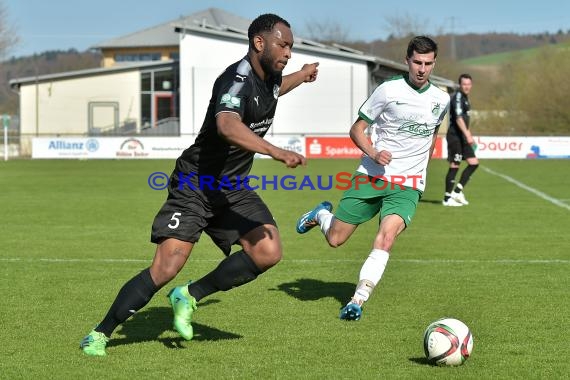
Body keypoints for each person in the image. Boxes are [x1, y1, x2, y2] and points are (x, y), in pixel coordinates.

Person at [80, 13, 319, 356]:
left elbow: (278, 88)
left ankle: (189, 296)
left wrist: (303, 75)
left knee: (268, 251)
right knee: (166, 267)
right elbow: (227, 126)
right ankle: (100, 333)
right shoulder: (236, 80)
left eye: (292, 47)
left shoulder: (271, 79)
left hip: (232, 187)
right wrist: (274, 151)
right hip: (196, 184)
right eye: (283, 45)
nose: (289, 52)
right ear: (259, 43)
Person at [296, 36, 449, 321]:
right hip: (372, 175)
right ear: (407, 61)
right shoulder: (388, 90)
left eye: (428, 64)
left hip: (408, 184)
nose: (422, 69)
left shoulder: (441, 99)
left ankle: (357, 300)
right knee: (336, 239)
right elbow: (357, 130)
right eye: (417, 62)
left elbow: (431, 139)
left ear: (434, 64)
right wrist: (374, 152)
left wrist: (421, 174)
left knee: (386, 237)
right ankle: (321, 214)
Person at [442, 73, 479, 206]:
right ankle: (447, 199)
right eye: (464, 84)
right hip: (455, 137)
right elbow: (458, 118)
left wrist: (467, 135)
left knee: (474, 163)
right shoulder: (457, 97)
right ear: (460, 85)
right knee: (455, 165)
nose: (466, 86)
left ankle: (457, 192)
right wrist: (468, 135)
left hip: (463, 136)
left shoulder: (465, 97)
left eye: (469, 84)